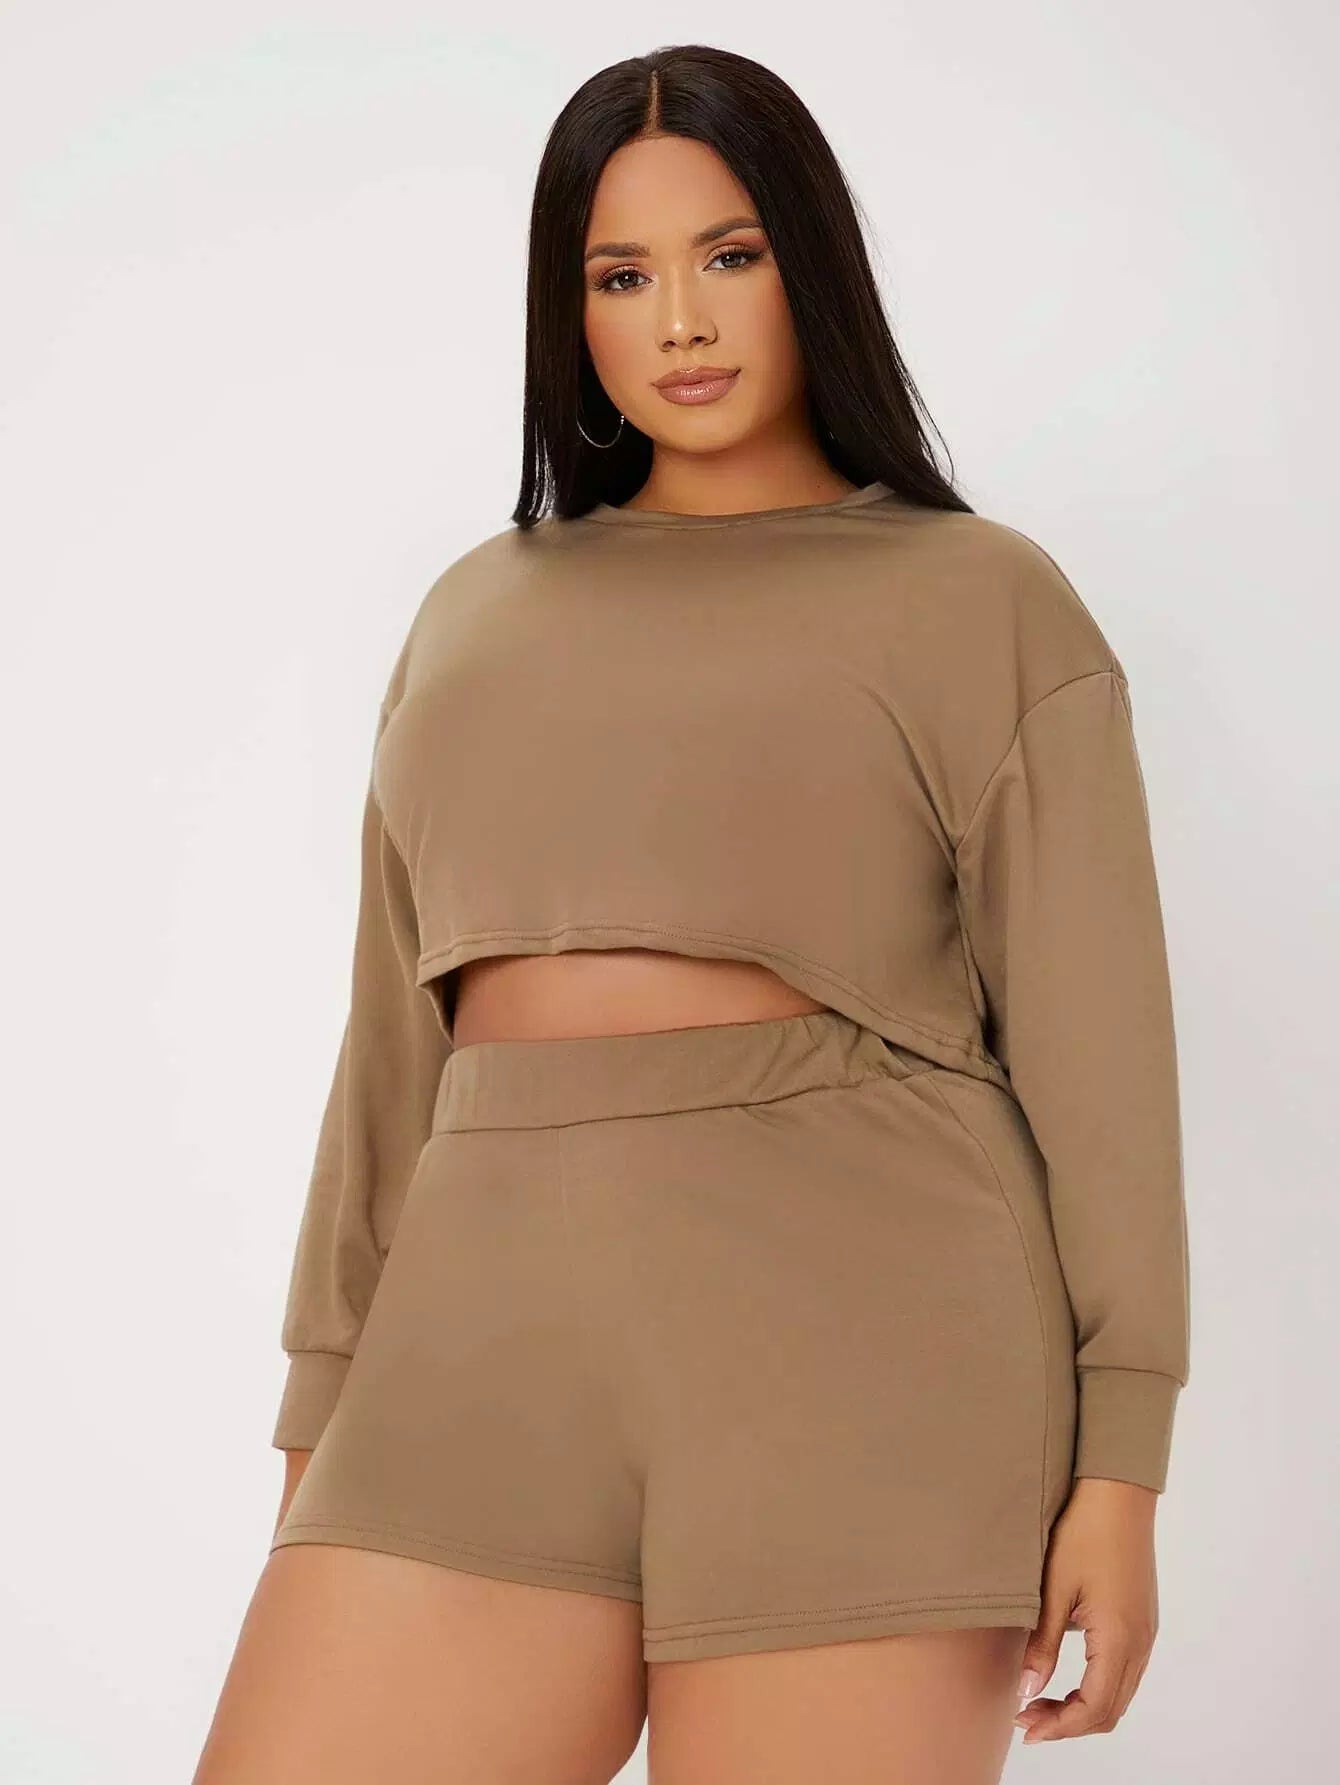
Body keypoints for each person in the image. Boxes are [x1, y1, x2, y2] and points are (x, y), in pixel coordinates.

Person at [193, 41, 1190, 1785]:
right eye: (620, 274)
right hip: (481, 1342)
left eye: (730, 254)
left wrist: (1123, 1457)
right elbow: (392, 1054)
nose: (680, 320)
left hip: (866, 1334)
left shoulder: (981, 599)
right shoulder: (475, 611)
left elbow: (1101, 1059)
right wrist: (324, 1394)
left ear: (813, 263)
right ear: (566, 308)